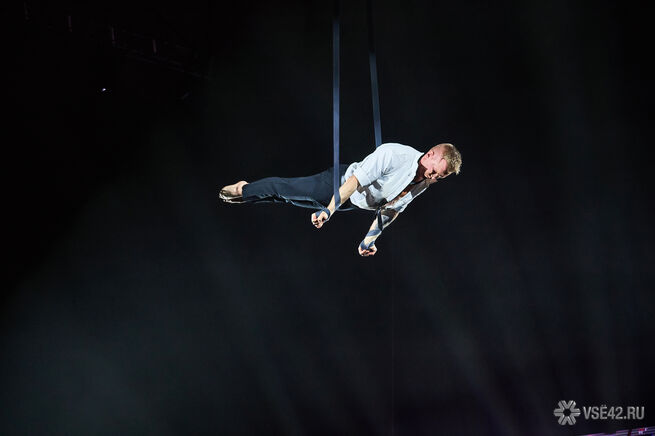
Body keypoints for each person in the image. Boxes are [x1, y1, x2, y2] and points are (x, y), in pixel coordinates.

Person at [219, 142, 462, 257]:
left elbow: (391, 210)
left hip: (350, 203)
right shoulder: (394, 155)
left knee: (286, 199)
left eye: (439, 177)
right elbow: (354, 181)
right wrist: (329, 210)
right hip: (338, 183)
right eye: (434, 171)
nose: (432, 177)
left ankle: (249, 194)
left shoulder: (425, 183)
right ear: (429, 154)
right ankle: (245, 189)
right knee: (286, 189)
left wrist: (368, 241)